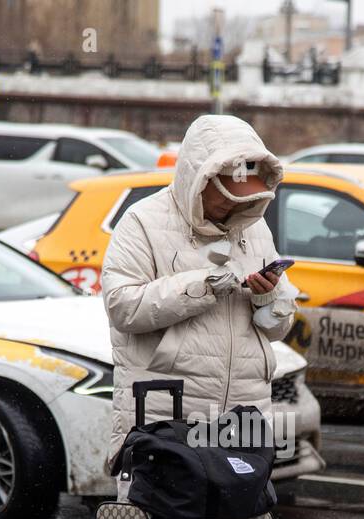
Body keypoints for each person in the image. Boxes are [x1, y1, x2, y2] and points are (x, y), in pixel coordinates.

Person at [100, 114, 299, 473]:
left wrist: (268, 298)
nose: (232, 206)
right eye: (223, 195)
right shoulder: (142, 221)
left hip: (244, 415)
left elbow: (278, 331)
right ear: (198, 177)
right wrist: (204, 285)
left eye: (242, 197)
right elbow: (123, 307)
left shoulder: (254, 230)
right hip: (168, 414)